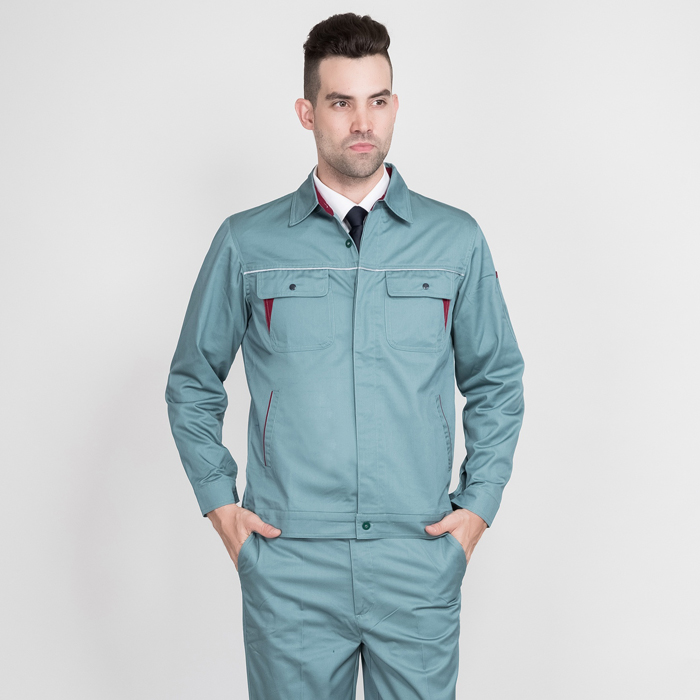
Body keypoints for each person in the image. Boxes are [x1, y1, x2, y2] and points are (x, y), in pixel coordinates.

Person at [165, 12, 525, 700]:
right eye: (341, 102)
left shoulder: (455, 241)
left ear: (395, 105)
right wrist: (222, 509)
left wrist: (477, 509)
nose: (363, 122)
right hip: (290, 564)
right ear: (307, 113)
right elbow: (192, 382)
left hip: (417, 557)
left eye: (377, 100)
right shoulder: (247, 243)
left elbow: (497, 380)